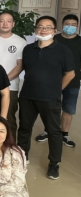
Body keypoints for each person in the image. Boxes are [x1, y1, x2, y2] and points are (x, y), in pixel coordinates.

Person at [18, 16, 75, 179]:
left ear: (54, 31)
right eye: (40, 27)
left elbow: (70, 74)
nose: (43, 30)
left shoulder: (63, 50)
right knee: (24, 128)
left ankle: (54, 163)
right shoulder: (28, 49)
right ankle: (22, 156)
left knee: (54, 131)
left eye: (48, 27)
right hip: (27, 96)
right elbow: (26, 69)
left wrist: (56, 90)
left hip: (50, 98)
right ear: (35, 29)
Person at [37, 14, 81, 148]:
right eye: (67, 24)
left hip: (73, 81)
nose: (70, 27)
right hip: (51, 81)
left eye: (73, 25)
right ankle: (47, 131)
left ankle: (64, 134)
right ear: (62, 25)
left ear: (77, 26)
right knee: (49, 107)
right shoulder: (53, 39)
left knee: (68, 108)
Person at [0, 12, 27, 142]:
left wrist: (2, 81)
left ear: (13, 24)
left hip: (10, 87)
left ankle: (10, 148)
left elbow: (20, 65)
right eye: (2, 21)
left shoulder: (20, 41)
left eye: (8, 21)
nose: (5, 23)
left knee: (8, 119)